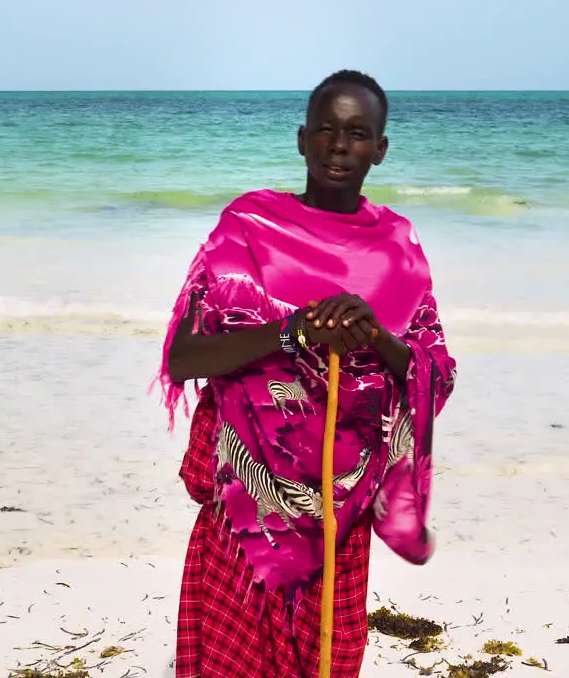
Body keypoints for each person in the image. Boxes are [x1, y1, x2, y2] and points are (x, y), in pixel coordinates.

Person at [156, 69, 458, 678]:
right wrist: (294, 333)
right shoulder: (249, 226)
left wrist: (374, 335)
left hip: (340, 506)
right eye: (325, 129)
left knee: (327, 658)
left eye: (357, 133)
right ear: (301, 139)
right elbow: (184, 357)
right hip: (247, 501)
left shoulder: (398, 244)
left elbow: (434, 371)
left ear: (381, 148)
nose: (340, 145)